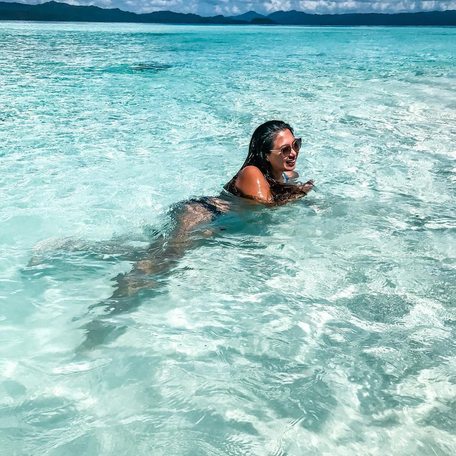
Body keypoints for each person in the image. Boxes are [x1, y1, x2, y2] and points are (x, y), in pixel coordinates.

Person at [79, 120, 314, 349]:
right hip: (198, 216)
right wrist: (298, 195)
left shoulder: (284, 174)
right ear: (265, 154)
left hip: (215, 222)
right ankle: (100, 326)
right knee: (154, 268)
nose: (293, 153)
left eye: (296, 145)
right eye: (284, 149)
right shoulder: (252, 173)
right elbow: (265, 209)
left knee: (149, 255)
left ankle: (77, 248)